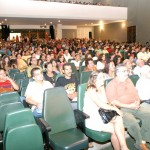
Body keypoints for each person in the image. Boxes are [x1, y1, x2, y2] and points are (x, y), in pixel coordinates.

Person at [106, 64, 150, 150]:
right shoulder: (112, 84)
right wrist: (129, 106)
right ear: (117, 73)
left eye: (127, 71)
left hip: (135, 105)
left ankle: (144, 139)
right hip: (122, 108)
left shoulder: (128, 80)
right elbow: (113, 101)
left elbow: (135, 92)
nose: (127, 73)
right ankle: (140, 143)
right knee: (133, 123)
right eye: (124, 71)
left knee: (149, 115)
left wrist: (137, 101)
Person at [83, 70, 129, 150]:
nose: (103, 79)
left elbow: (106, 102)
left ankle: (123, 147)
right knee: (115, 129)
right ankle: (123, 147)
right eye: (100, 77)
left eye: (103, 77)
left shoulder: (101, 86)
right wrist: (115, 109)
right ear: (94, 79)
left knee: (118, 120)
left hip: (102, 115)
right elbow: (101, 104)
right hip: (92, 118)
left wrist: (112, 104)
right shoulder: (91, 90)